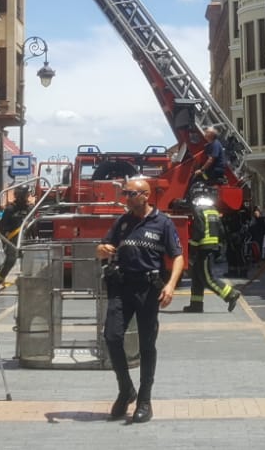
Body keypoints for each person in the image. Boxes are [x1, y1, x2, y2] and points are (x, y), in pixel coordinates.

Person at [95, 177, 183, 424]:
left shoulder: (162, 223)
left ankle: (144, 400)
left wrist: (171, 285)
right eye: (124, 193)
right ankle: (126, 389)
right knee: (112, 337)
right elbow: (103, 246)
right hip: (121, 288)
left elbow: (178, 257)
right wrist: (101, 250)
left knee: (146, 345)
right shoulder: (122, 222)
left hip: (147, 290)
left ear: (145, 195)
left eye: (130, 194)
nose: (126, 198)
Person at [182, 183, 241, 313]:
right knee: (197, 277)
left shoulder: (198, 210)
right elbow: (221, 229)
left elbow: (199, 230)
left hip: (203, 247)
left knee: (207, 278)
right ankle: (196, 304)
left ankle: (230, 294)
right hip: (211, 246)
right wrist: (219, 245)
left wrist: (192, 247)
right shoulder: (213, 209)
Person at [0, 184, 32, 296]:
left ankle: (28, 287)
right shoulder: (10, 209)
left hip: (26, 240)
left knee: (30, 262)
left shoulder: (29, 208)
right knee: (10, 261)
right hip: (12, 240)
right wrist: (5, 242)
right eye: (26, 194)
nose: (27, 196)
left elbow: (34, 225)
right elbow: (1, 227)